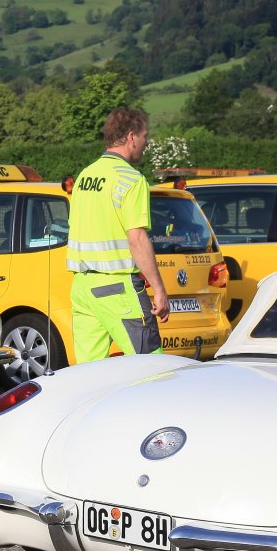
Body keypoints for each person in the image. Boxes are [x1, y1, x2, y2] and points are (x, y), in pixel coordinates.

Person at [65, 107, 170, 362]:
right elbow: (137, 239)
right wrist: (159, 289)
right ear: (132, 137)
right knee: (152, 368)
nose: (146, 143)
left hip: (82, 287)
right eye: (145, 136)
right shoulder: (131, 180)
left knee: (90, 372)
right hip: (119, 288)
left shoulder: (85, 177)